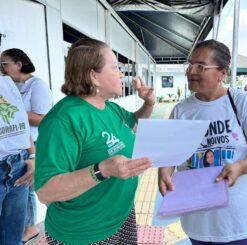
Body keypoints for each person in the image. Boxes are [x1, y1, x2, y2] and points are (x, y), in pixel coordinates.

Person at [34, 38, 154, 244]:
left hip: (121, 216)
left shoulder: (110, 108)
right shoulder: (63, 120)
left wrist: (149, 104)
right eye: (115, 67)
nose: (121, 73)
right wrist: (103, 170)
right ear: (93, 76)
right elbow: (46, 191)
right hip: (83, 232)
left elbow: (133, 123)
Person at [158, 39, 247, 245]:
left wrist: (240, 167)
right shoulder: (182, 110)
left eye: (201, 66)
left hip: (234, 221)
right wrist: (164, 171)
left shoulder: (241, 102)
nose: (191, 71)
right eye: (190, 64)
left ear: (222, 73)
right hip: (196, 217)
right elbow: (171, 154)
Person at [1, 48, 53, 243]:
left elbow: (44, 119)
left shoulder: (37, 85)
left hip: (32, 142)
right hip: (19, 145)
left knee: (30, 186)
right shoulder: (8, 85)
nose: (1, 69)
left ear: (18, 64)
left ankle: (30, 227)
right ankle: (29, 226)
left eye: (3, 64)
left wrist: (16, 111)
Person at [0, 75, 35, 245]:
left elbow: (21, 123)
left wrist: (33, 155)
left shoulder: (6, 82)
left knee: (13, 238)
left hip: (18, 165)